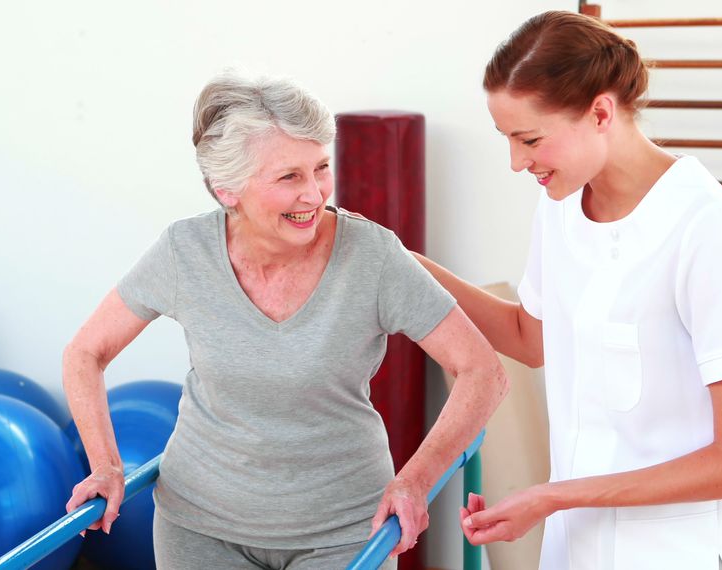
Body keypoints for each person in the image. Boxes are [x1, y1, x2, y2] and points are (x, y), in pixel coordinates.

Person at [62, 71, 509, 569]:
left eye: (320, 168)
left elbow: (483, 371)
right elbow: (86, 352)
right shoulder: (183, 252)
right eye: (289, 177)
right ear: (227, 189)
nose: (315, 194)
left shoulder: (373, 257)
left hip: (345, 532)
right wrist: (105, 465)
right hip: (199, 528)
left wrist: (415, 480)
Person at [411, 11, 722, 570]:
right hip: (575, 548)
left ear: (601, 112)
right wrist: (404, 263)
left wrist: (553, 496)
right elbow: (531, 338)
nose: (516, 162)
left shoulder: (702, 224)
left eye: (529, 138)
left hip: (681, 555)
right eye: (507, 139)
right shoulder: (560, 205)